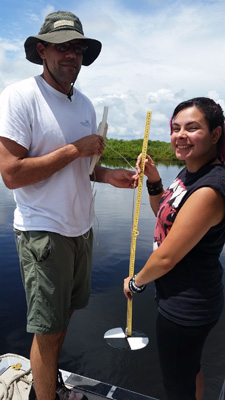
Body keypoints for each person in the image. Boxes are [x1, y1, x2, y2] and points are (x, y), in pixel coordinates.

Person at [0, 10, 138, 400]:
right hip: (44, 232)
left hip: (81, 230)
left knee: (61, 323)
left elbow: (83, 168)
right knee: (47, 332)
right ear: (42, 50)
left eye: (77, 47)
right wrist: (76, 148)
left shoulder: (86, 105)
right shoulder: (19, 97)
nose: (71, 55)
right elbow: (11, 173)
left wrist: (107, 174)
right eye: (62, 46)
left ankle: (49, 388)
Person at [124, 97, 225, 400]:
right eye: (176, 128)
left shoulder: (209, 188)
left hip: (187, 305)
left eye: (192, 128)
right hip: (182, 295)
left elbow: (167, 256)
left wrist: (136, 282)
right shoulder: (190, 171)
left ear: (215, 134)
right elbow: (165, 215)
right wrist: (155, 180)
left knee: (176, 384)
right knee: (189, 368)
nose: (180, 135)